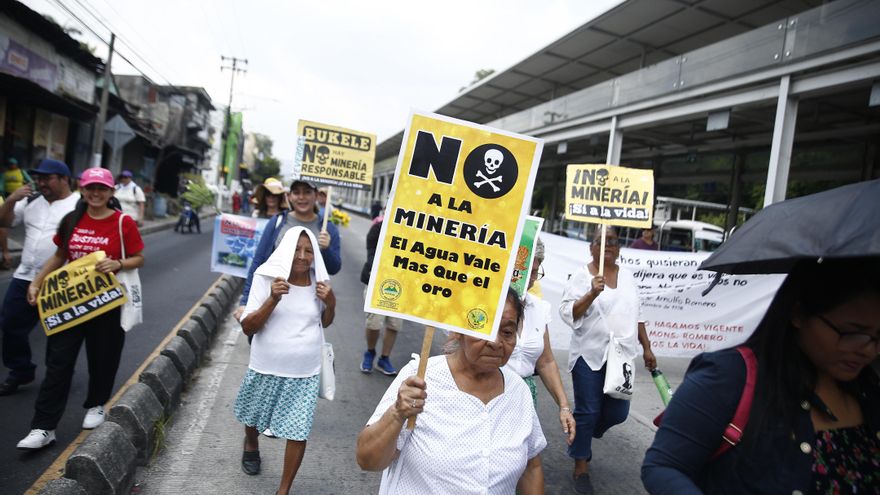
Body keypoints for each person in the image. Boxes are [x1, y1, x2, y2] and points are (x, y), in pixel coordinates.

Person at [642, 258, 880, 494]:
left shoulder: (869, 388)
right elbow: (664, 466)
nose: (868, 349)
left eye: (877, 336)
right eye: (852, 333)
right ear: (798, 314)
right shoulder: (729, 376)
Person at [357, 288, 547, 494]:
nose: (495, 342)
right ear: (457, 329)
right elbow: (367, 460)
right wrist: (397, 414)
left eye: (507, 332)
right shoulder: (420, 378)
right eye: (481, 326)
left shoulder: (518, 391)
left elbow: (531, 465)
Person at [16, 167, 144, 450]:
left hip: (106, 305)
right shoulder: (72, 219)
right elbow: (60, 255)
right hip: (70, 305)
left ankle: (96, 404)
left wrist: (118, 263)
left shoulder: (124, 223)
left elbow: (138, 258)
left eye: (102, 188)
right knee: (58, 363)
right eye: (90, 188)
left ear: (111, 192)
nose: (96, 193)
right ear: (82, 190)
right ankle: (43, 426)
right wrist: (37, 282)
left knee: (103, 358)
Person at [235, 227, 336, 494]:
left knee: (298, 432)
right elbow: (249, 328)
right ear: (285, 251)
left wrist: (332, 302)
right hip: (266, 365)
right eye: (297, 250)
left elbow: (325, 321)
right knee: (253, 418)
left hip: (305, 370)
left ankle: (283, 490)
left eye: (309, 251)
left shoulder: (320, 282)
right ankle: (251, 444)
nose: (302, 257)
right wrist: (273, 298)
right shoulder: (266, 276)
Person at [559, 226, 656, 495]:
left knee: (618, 413)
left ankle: (586, 435)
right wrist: (591, 293)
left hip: (620, 357)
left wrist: (647, 347)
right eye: (601, 241)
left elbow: (637, 313)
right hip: (588, 354)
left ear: (619, 247)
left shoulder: (627, 277)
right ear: (592, 247)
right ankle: (581, 465)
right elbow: (568, 313)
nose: (608, 245)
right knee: (588, 411)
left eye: (613, 241)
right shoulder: (582, 275)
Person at [0, 159, 79, 396]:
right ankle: (20, 370)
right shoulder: (31, 201)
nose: (41, 183)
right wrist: (12, 199)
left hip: (61, 281)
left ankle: (59, 378)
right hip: (25, 276)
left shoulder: (79, 204)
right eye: (38, 178)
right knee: (10, 324)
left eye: (47, 178)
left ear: (64, 179)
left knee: (60, 333)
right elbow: (4, 222)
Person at [235, 179, 341, 320]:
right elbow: (259, 261)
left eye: (307, 192)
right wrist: (245, 302)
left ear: (316, 195)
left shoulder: (328, 228)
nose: (301, 197)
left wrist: (326, 249)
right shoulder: (278, 222)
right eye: (296, 193)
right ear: (289, 196)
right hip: (270, 299)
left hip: (307, 307)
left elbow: (334, 268)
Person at [506, 237, 576, 444]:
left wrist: (564, 406)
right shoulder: (485, 304)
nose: (531, 279)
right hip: (488, 393)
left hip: (525, 398)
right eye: (526, 271)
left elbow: (545, 361)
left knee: (523, 461)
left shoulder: (539, 308)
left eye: (535, 272)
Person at [360, 218, 401, 375]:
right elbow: (371, 252)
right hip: (377, 280)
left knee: (394, 324)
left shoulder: (413, 229)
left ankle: (385, 358)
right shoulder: (378, 228)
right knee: (374, 322)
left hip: (401, 282)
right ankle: (370, 352)